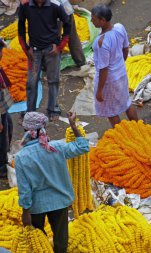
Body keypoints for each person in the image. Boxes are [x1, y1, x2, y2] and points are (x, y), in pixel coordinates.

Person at [15, 111, 89, 253]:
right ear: (43, 129)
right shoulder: (57, 147)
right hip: (60, 201)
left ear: (25, 130)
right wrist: (73, 125)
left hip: (36, 206)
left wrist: (25, 212)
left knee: (38, 239)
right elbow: (83, 147)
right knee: (61, 237)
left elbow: (24, 190)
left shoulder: (21, 157)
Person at [18, 0, 71, 121]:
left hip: (51, 50)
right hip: (34, 51)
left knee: (53, 80)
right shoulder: (25, 5)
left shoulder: (56, 5)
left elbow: (68, 24)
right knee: (31, 82)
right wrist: (26, 49)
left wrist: (59, 46)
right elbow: (20, 26)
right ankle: (30, 112)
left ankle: (52, 109)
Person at [91, 5, 138, 127]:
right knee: (127, 103)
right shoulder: (119, 28)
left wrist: (100, 90)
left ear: (102, 20)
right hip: (121, 74)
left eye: (94, 19)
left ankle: (122, 137)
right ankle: (138, 128)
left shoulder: (101, 42)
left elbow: (103, 69)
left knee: (111, 111)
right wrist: (120, 64)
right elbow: (126, 48)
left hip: (109, 81)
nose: (91, 21)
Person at [0, 39, 13, 179]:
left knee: (9, 125)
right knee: (2, 136)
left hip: (3, 108)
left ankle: (5, 155)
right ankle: (2, 167)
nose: (2, 55)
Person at [58, 0, 86, 67]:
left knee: (54, 39)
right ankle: (80, 61)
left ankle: (50, 66)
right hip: (66, 7)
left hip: (55, 11)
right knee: (72, 35)